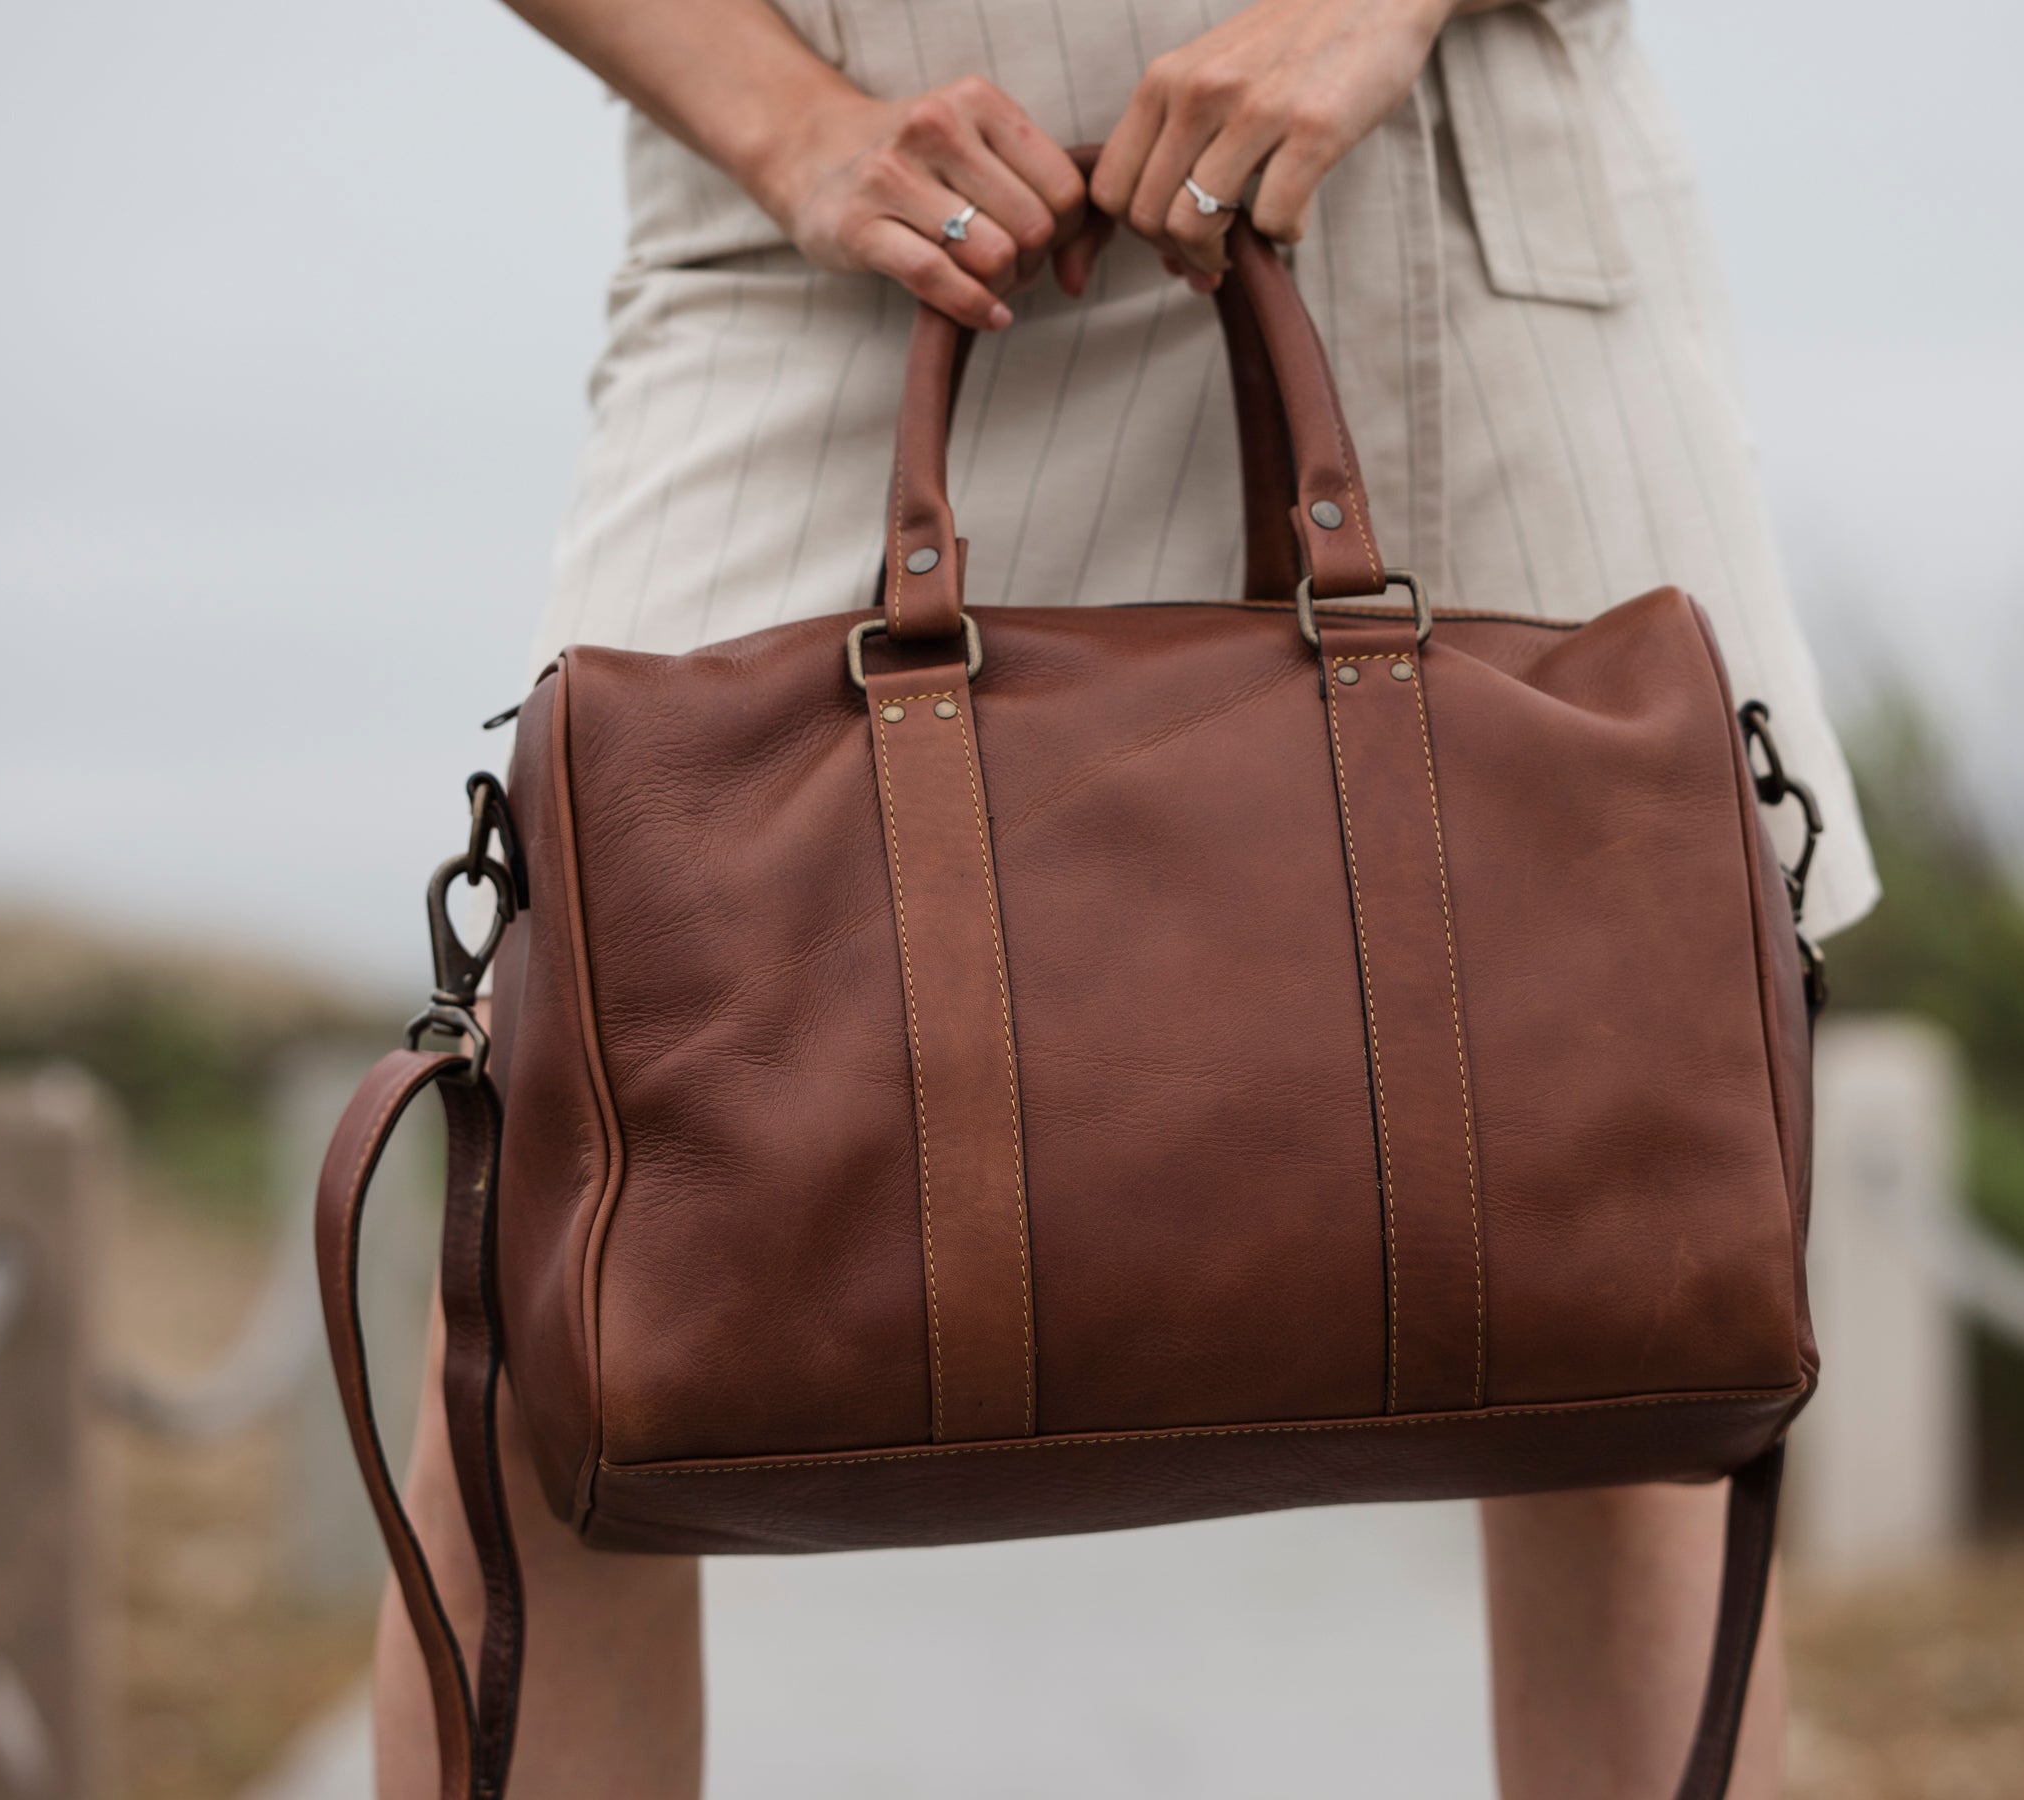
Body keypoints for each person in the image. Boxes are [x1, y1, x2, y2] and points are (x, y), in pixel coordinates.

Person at [379, 0, 1878, 1791]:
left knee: (1612, 1281)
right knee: (562, 1341)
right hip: (847, 207)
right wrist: (784, 124)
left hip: (1430, 195)